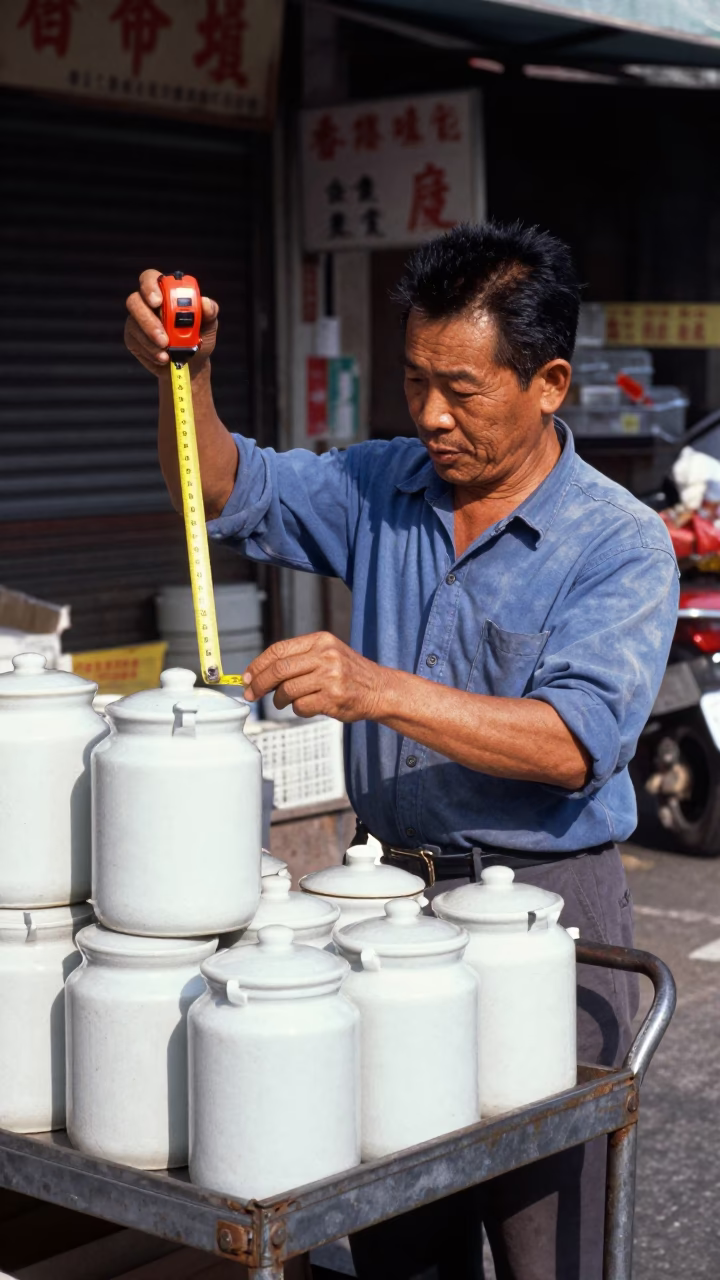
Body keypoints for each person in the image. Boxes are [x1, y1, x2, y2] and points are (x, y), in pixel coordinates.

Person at [125, 221, 678, 1280]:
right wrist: (180, 373)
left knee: (545, 1238)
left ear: (549, 380)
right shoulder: (387, 482)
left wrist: (375, 686)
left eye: (461, 389)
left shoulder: (618, 542)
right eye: (415, 380)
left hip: (548, 924)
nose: (429, 413)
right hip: (382, 919)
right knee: (397, 1231)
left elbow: (575, 742)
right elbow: (224, 487)